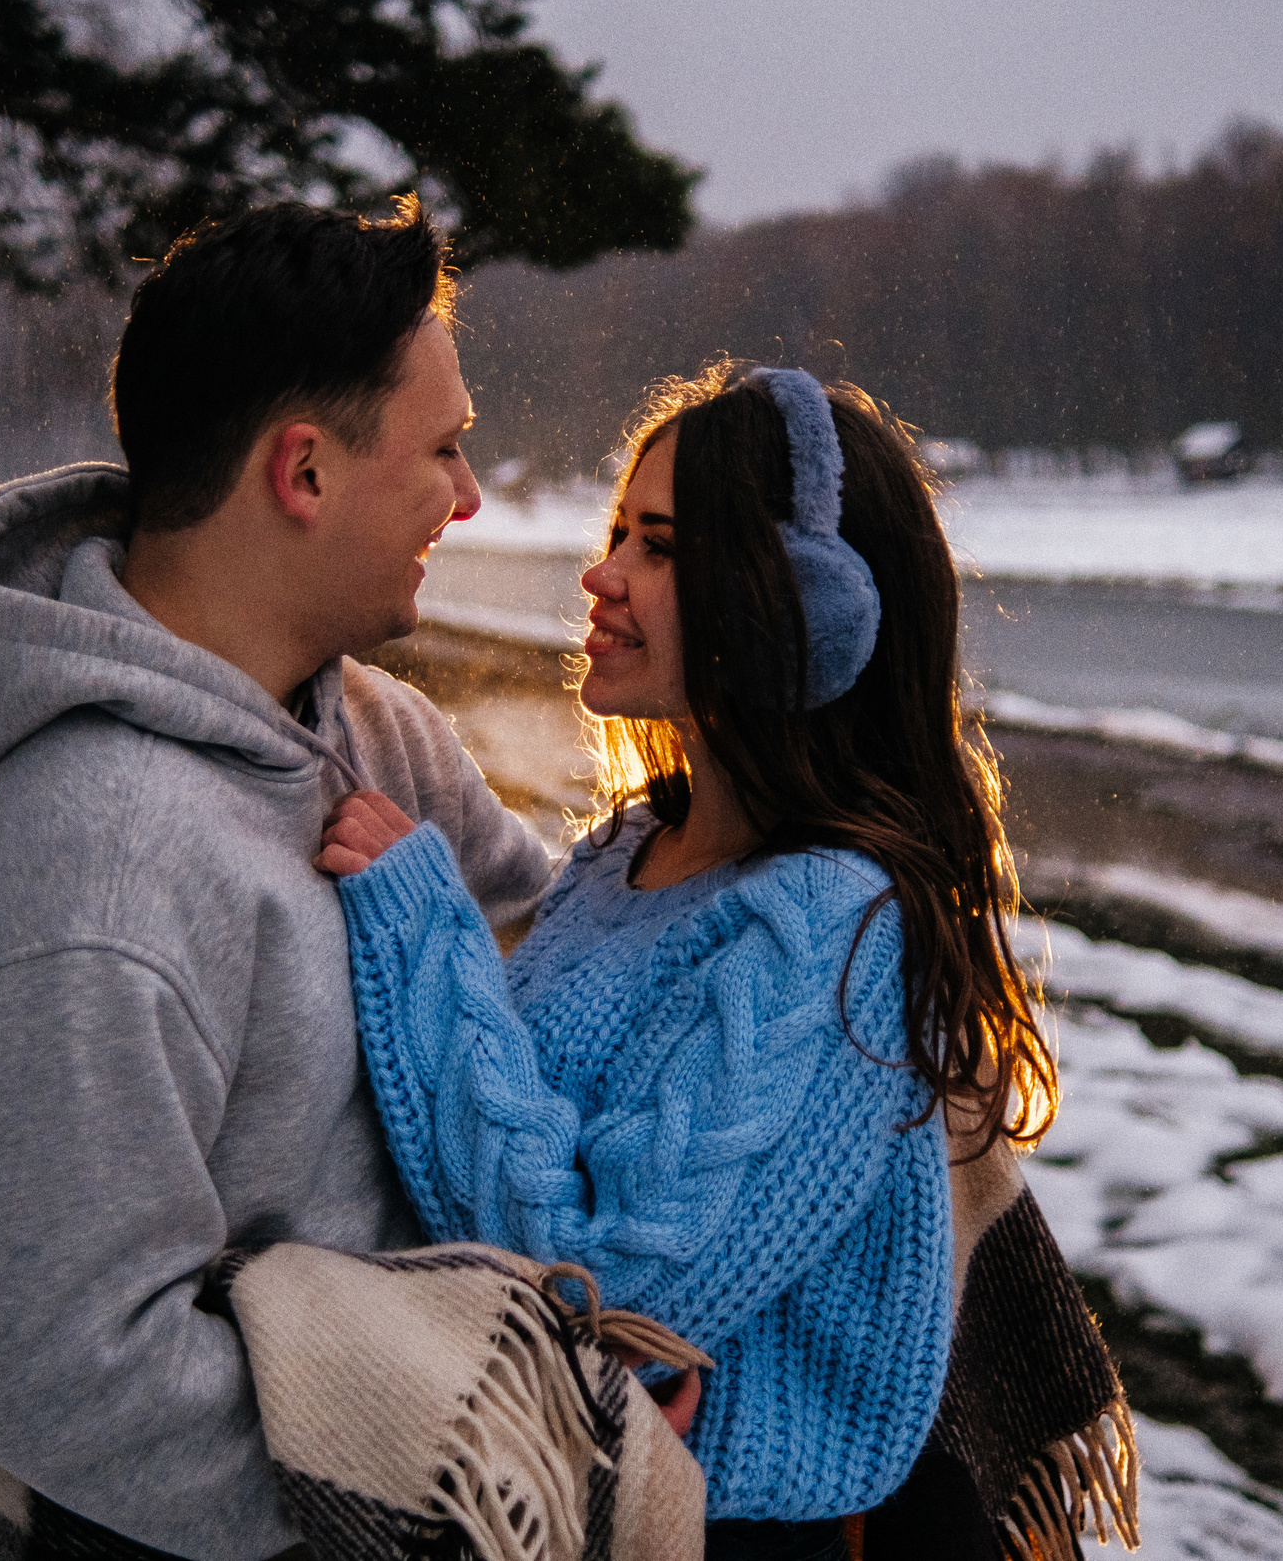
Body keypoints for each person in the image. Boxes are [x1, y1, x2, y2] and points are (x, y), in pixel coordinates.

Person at [316, 365, 1127, 1560]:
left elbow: (612, 1290)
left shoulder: (834, 931)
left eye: (658, 547)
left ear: (800, 608)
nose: (601, 577)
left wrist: (423, 934)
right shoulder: (628, 852)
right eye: (615, 535)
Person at [0, 198, 557, 1561]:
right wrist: (455, 1477)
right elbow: (77, 1381)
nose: (471, 495)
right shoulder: (87, 877)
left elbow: (551, 951)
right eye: (443, 449)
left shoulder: (374, 725)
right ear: (303, 471)